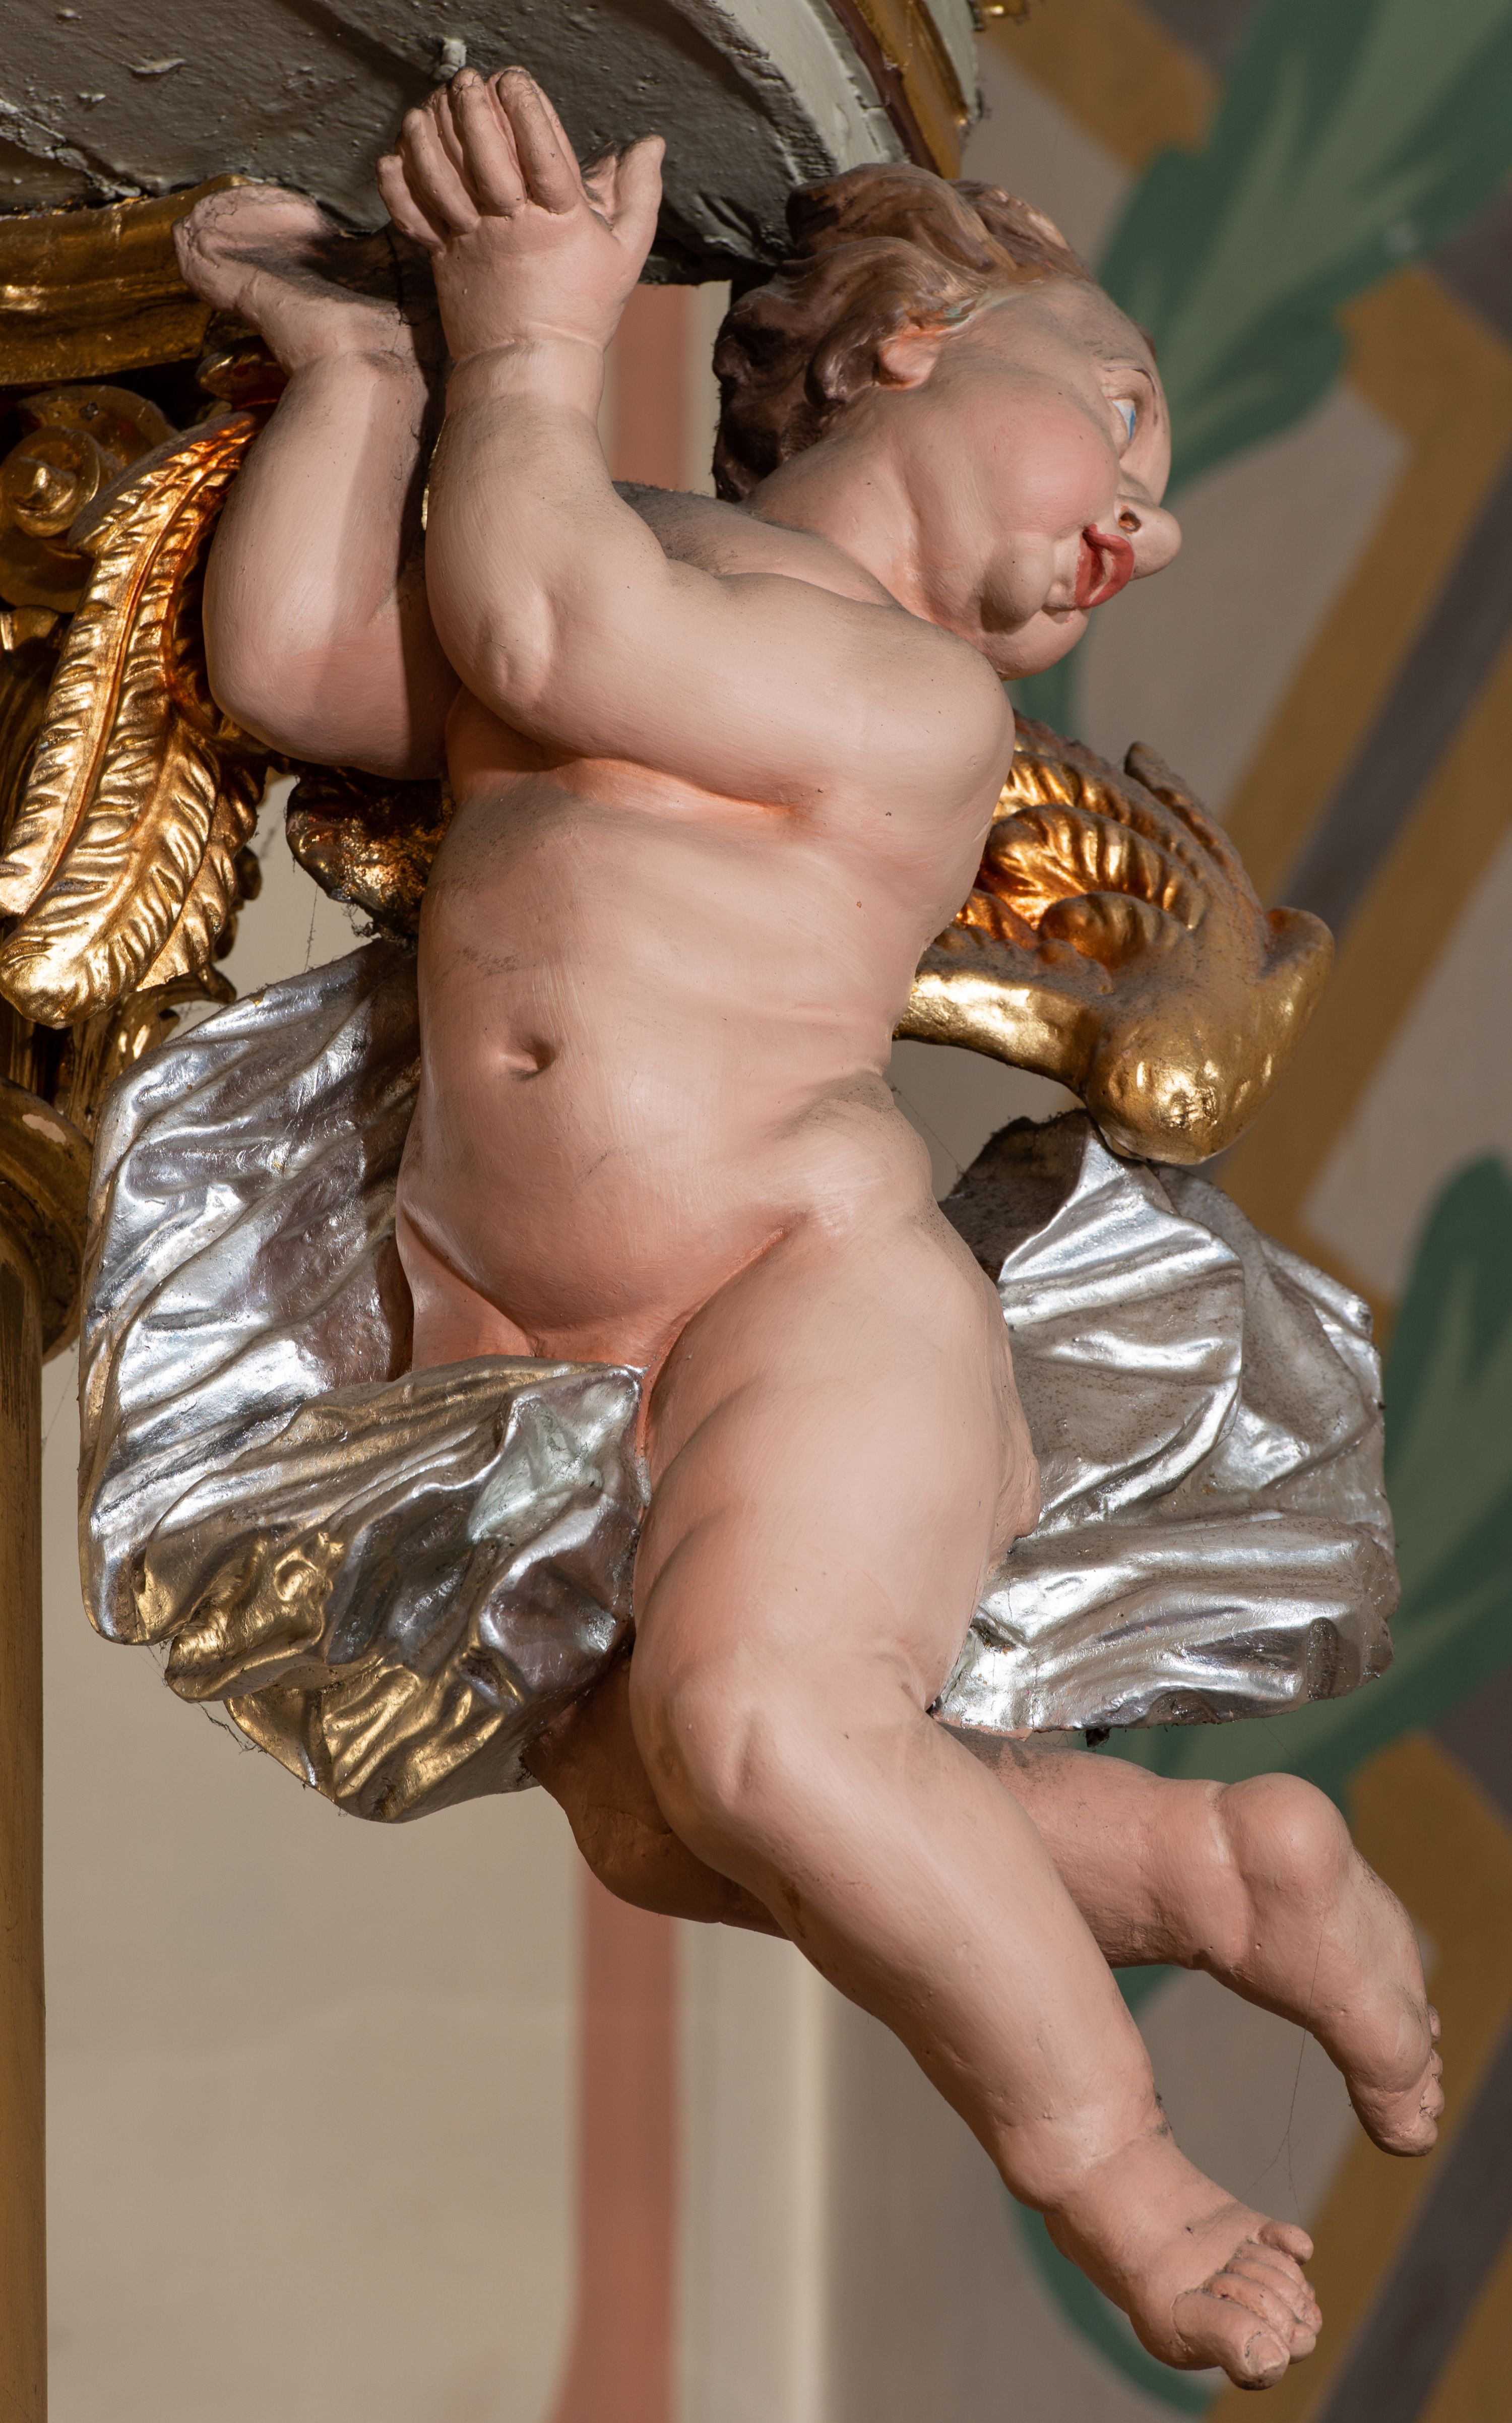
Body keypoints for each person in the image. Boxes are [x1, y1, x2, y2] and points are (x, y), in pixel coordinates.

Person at [175, 71, 1439, 2388]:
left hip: (806, 1298)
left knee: (761, 1723)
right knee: (669, 1818)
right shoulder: (634, 557)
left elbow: (540, 622)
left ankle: (1121, 2163)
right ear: (913, 338)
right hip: (575, 1363)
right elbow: (302, 668)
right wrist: (363, 375)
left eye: (1159, 486)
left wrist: (526, 343)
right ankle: (1197, 1871)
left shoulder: (909, 695)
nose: (1149, 518)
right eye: (1122, 414)